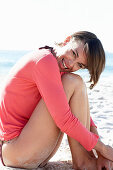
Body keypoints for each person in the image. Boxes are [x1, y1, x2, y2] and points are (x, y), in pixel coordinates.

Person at [0, 31, 113, 170]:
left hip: (27, 149)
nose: (71, 64)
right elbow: (64, 120)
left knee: (75, 82)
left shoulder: (57, 66)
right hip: (16, 150)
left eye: (80, 65)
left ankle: (87, 158)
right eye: (73, 53)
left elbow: (81, 112)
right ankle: (82, 162)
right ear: (66, 40)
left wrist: (100, 151)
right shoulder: (45, 61)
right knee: (73, 82)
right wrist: (103, 148)